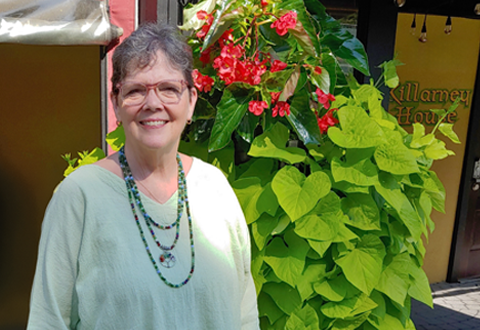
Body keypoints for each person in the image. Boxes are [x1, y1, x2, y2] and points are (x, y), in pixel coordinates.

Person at [27, 23, 259, 330]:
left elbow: (245, 317)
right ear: (116, 105)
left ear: (191, 101)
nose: (153, 104)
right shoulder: (79, 197)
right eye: (135, 91)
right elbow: (48, 322)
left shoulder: (215, 188)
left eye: (168, 89)